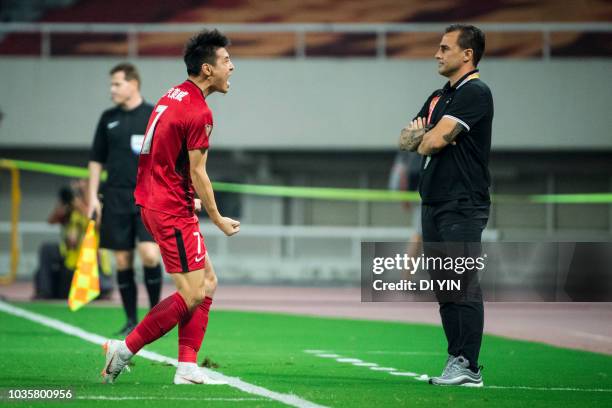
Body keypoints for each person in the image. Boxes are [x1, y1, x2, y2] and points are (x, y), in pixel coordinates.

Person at [101, 29, 240, 385]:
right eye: (226, 61)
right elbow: (198, 171)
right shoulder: (199, 111)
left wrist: (179, 189)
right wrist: (219, 218)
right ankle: (125, 348)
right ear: (207, 69)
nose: (232, 67)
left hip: (158, 199)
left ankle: (187, 367)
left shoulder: (172, 95)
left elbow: (167, 156)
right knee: (193, 292)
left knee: (207, 283)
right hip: (168, 208)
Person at [399, 24, 493, 387]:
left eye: (444, 48)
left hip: (462, 203)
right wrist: (426, 137)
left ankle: (469, 364)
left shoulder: (476, 92)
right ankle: (457, 359)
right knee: (444, 286)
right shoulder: (439, 96)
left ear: (466, 54)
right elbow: (405, 138)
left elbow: (428, 141)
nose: (437, 54)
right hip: (434, 201)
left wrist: (428, 136)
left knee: (463, 281)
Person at [88, 63, 163, 336]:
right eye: (111, 84)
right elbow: (96, 161)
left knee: (150, 254)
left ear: (133, 83)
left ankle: (156, 316)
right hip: (115, 198)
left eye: (116, 84)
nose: (112, 90)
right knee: (122, 261)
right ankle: (131, 319)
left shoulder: (153, 115)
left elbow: (167, 158)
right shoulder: (108, 118)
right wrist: (93, 198)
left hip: (147, 197)